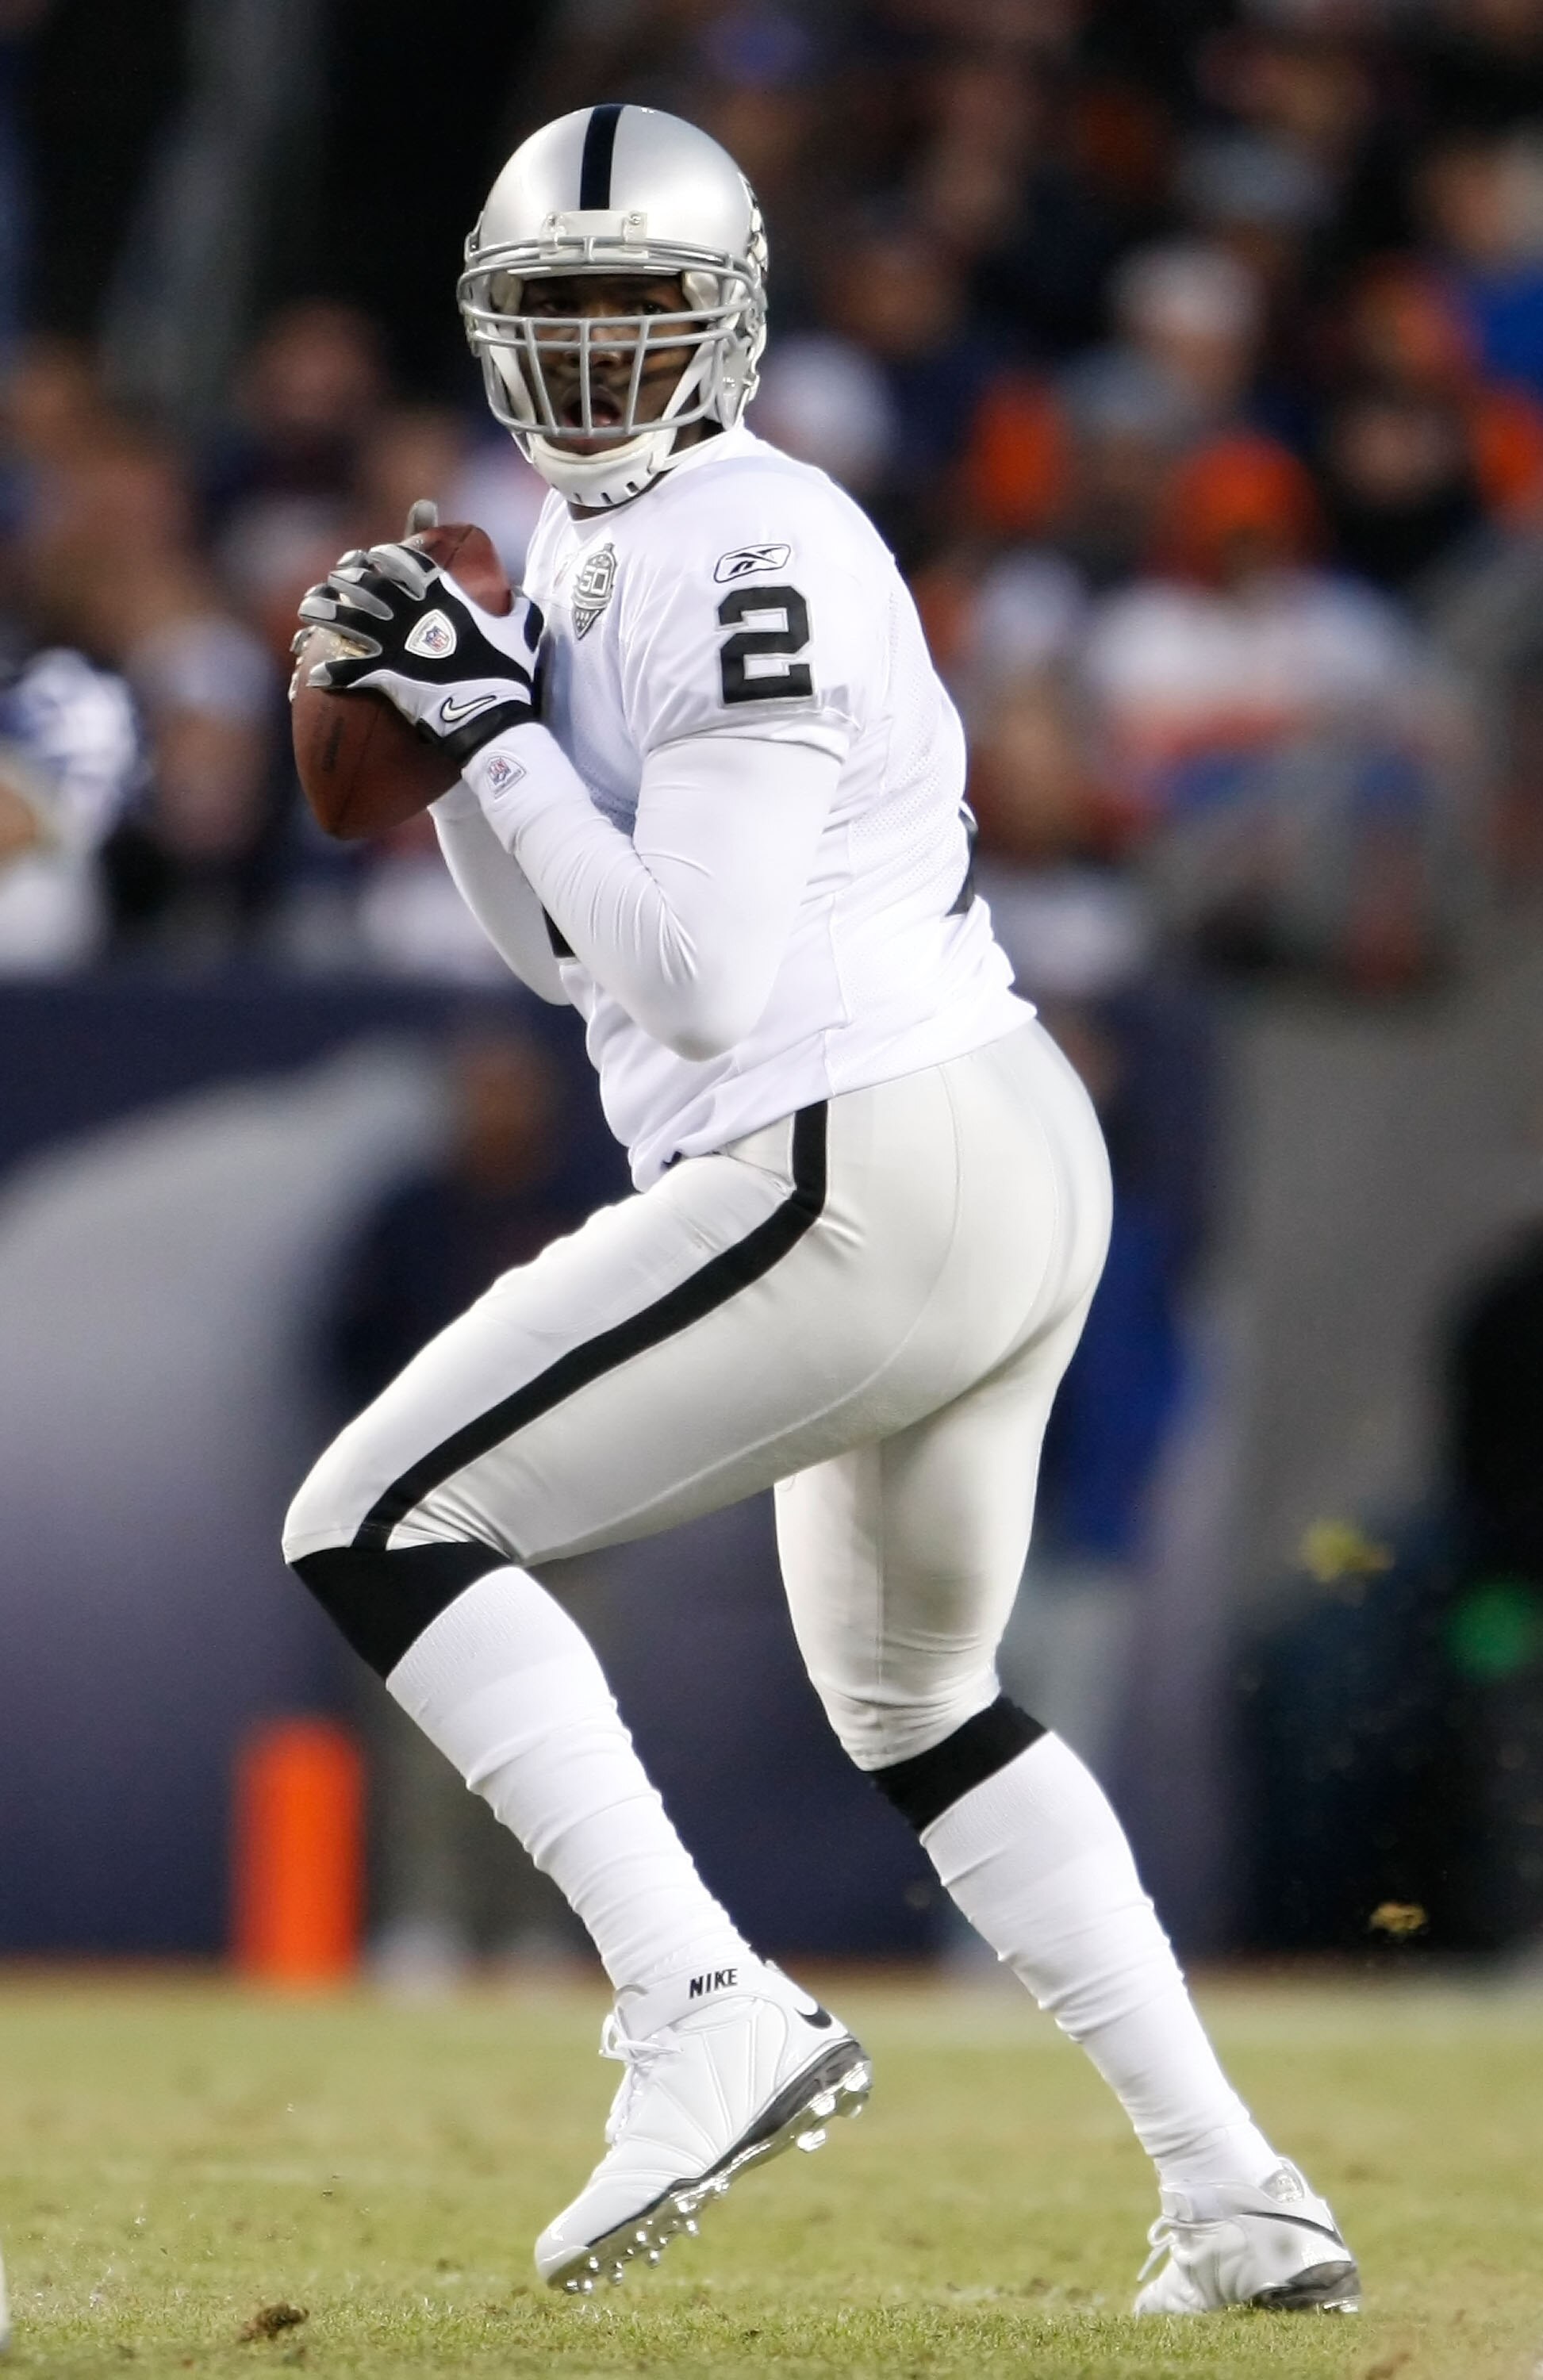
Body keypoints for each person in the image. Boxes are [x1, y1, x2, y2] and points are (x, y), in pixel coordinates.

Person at [282, 104, 1358, 2315]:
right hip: (966, 1142)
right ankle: (1238, 2200)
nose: (591, 358)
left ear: (728, 321)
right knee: (925, 1704)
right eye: (554, 315)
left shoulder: (742, 533)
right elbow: (573, 949)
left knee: (376, 1525)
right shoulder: (600, 538)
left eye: (633, 312)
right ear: (493, 327)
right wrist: (466, 736)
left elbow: (700, 971)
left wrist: (488, 735)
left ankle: (698, 1998)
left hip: (861, 1142)